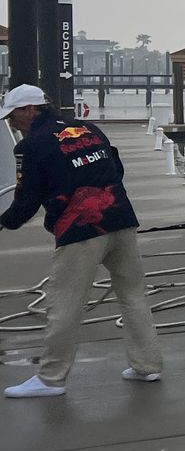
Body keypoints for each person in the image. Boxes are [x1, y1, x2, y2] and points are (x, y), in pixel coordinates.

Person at [1, 84, 164, 397]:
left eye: (14, 114)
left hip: (80, 231)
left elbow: (26, 200)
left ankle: (50, 378)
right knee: (133, 295)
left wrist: (5, 222)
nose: (11, 122)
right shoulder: (87, 127)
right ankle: (147, 365)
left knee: (64, 304)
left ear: (31, 109)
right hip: (121, 220)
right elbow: (116, 166)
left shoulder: (30, 146)